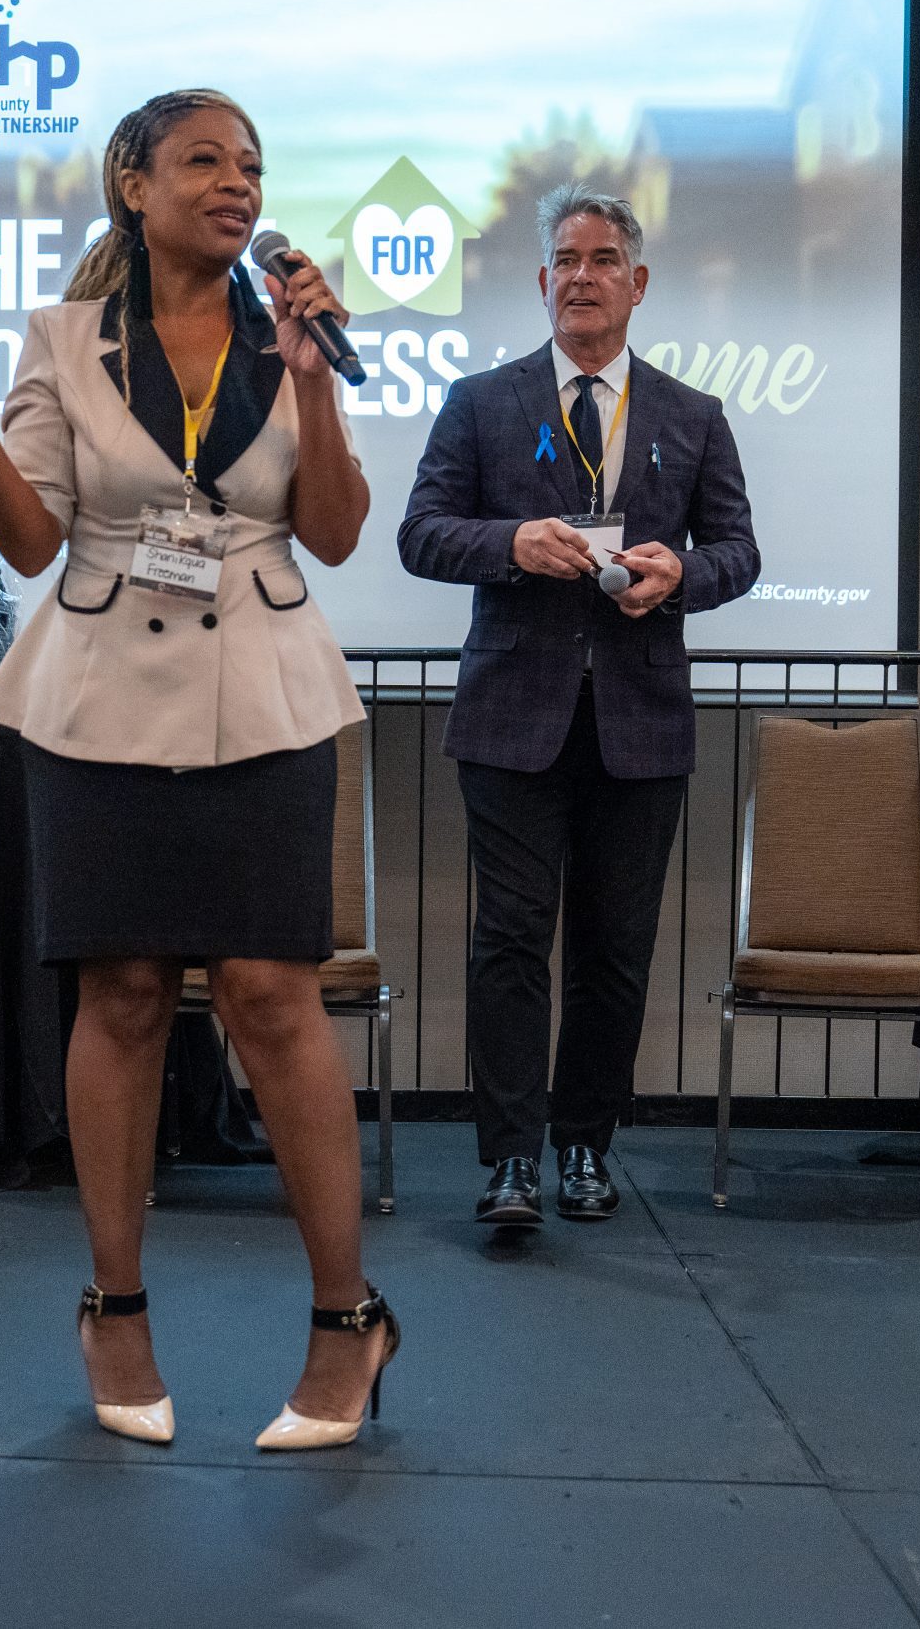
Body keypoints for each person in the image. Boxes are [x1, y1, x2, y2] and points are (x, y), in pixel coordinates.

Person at [0, 89, 400, 1451]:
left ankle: (348, 1316)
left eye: (252, 164)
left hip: (266, 691)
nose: (237, 183)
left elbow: (332, 531)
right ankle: (115, 1306)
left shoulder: (289, 336)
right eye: (205, 160)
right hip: (98, 697)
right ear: (134, 185)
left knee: (270, 993)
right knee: (124, 993)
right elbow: (31, 543)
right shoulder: (62, 340)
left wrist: (315, 378)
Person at [398, 186, 760, 1226]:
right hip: (511, 717)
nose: (582, 277)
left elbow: (739, 551)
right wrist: (510, 543)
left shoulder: (693, 416)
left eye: (602, 260)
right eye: (566, 260)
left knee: (614, 949)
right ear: (541, 281)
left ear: (637, 284)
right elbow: (421, 533)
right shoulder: (480, 401)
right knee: (510, 939)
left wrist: (681, 574)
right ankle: (510, 1160)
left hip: (641, 722)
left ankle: (585, 1147)